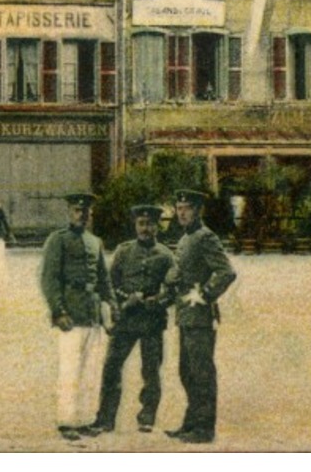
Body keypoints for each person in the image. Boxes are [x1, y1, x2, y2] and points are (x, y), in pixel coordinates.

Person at [91, 203, 175, 436]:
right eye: (141, 223)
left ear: (157, 226)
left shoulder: (166, 256)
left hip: (152, 321)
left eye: (150, 224)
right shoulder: (123, 251)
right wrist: (126, 300)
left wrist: (157, 300)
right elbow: (109, 284)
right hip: (126, 319)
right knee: (111, 367)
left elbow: (172, 290)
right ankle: (105, 418)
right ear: (135, 225)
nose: (145, 228)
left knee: (151, 371)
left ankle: (147, 416)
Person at [40, 192, 113, 442]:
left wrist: (111, 307)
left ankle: (84, 419)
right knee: (70, 369)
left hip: (92, 314)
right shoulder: (57, 240)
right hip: (70, 312)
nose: (83, 215)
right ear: (69, 212)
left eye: (87, 212)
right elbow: (50, 279)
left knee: (91, 369)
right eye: (77, 211)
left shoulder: (95, 242)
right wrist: (58, 310)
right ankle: (67, 420)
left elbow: (104, 279)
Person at [165, 188, 236, 444]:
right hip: (185, 314)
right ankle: (191, 422)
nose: (182, 213)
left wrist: (205, 295)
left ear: (198, 211)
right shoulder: (185, 239)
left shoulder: (206, 237)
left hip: (200, 315)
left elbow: (226, 272)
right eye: (179, 208)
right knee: (187, 371)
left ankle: (204, 428)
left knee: (201, 372)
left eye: (187, 208)